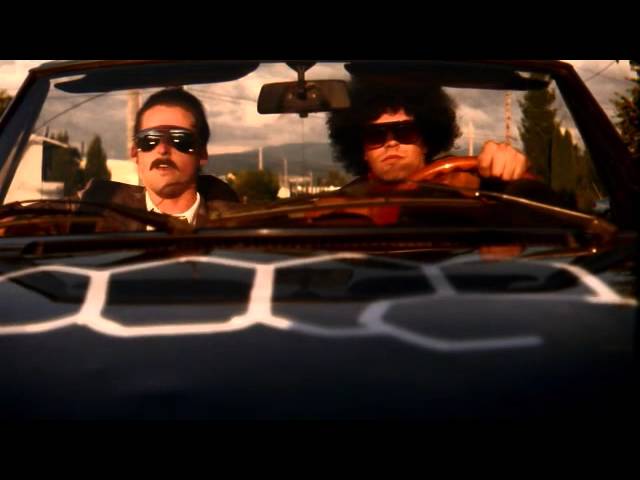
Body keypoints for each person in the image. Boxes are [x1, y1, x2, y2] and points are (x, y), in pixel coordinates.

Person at [327, 78, 537, 194]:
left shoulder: (460, 182)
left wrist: (502, 174)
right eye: (375, 136)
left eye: (404, 131)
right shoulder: (346, 203)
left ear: (425, 140)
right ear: (362, 149)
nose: (391, 142)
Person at [80, 87, 239, 231]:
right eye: (149, 140)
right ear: (135, 154)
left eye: (180, 139)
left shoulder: (238, 228)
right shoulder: (91, 222)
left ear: (202, 154)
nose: (162, 149)